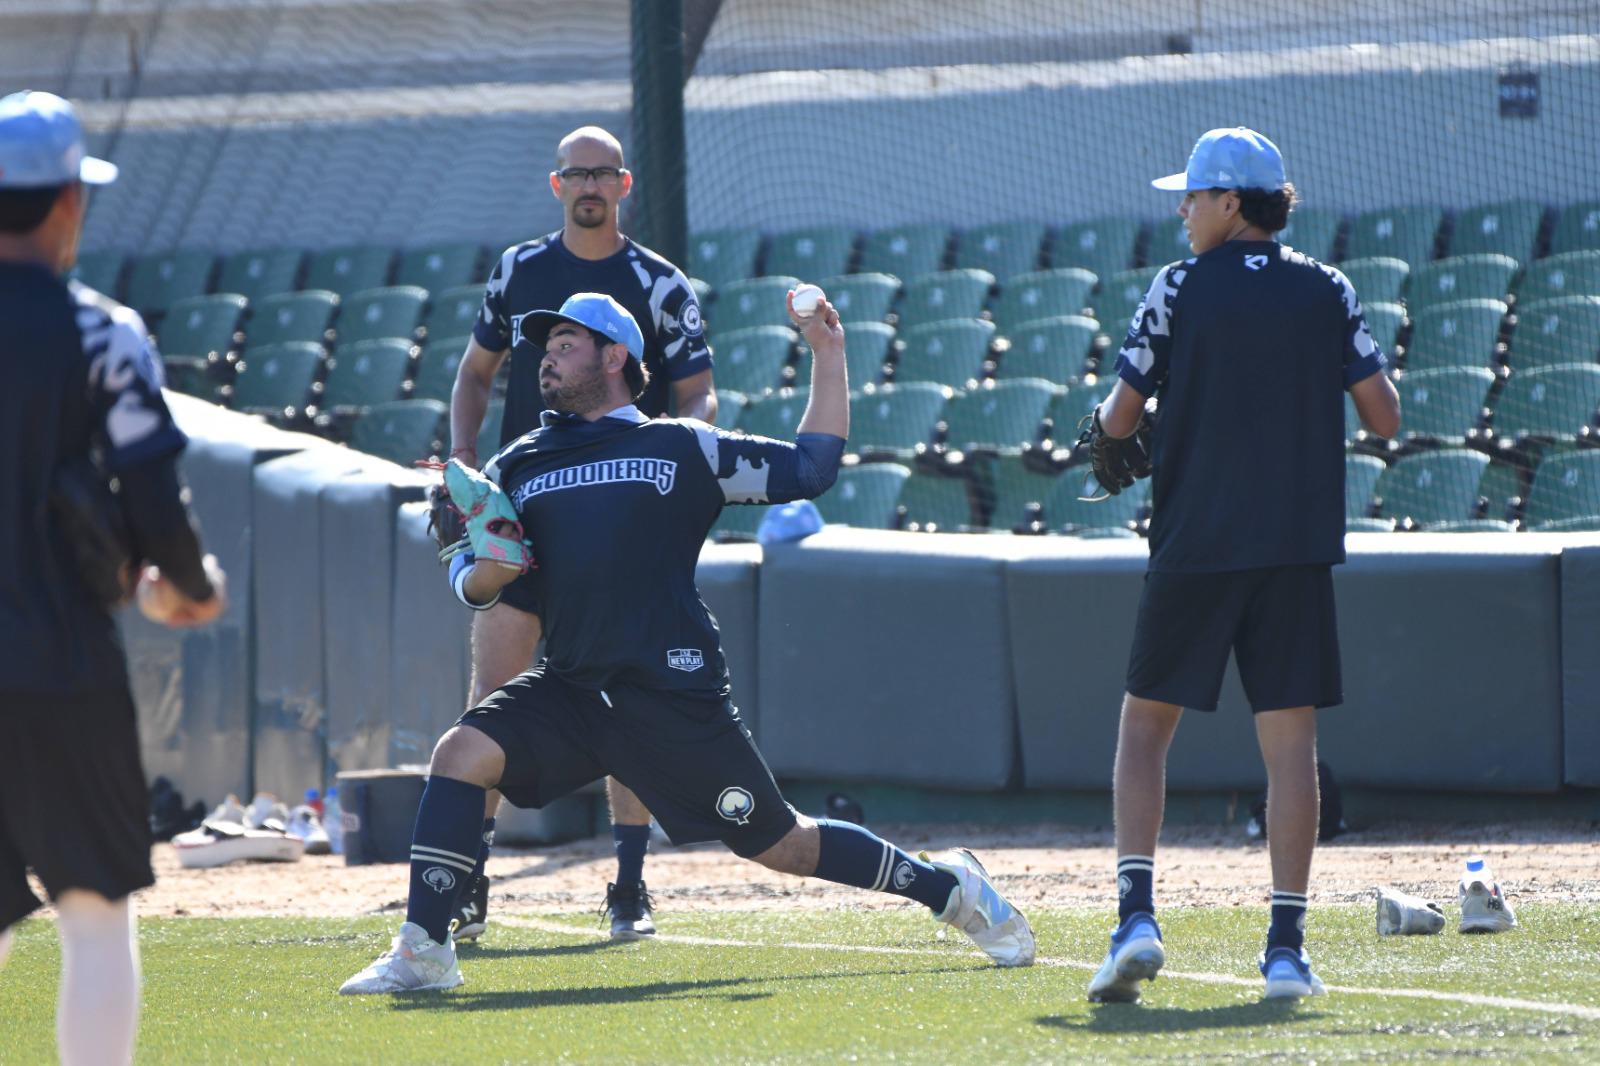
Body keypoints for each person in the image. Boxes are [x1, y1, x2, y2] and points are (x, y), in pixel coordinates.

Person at [340, 292, 1033, 993]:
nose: (546, 353)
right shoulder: (519, 463)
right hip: (574, 686)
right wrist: (481, 567)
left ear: (616, 356)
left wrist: (827, 355)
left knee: (783, 844)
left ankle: (953, 889)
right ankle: (425, 948)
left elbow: (811, 469)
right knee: (460, 754)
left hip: (669, 691)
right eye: (544, 344)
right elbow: (480, 584)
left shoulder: (679, 443)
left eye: (567, 341)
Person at [1083, 127, 1401, 1004]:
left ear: (1228, 203)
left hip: (1196, 544)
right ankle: (1288, 949)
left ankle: (1137, 918)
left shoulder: (1180, 286)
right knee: (1290, 746)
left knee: (1144, 729)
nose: (1181, 211)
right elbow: (1384, 417)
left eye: (1189, 196)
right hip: (1295, 547)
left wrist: (1122, 429)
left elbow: (1116, 421)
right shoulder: (1327, 287)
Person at [444, 126, 716, 942]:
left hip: (620, 518)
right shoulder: (518, 270)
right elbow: (474, 374)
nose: (589, 184)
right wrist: (462, 467)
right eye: (576, 173)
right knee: (490, 700)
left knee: (626, 699)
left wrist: (660, 471)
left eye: (603, 172)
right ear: (555, 183)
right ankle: (468, 883)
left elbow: (700, 398)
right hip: (525, 516)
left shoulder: (660, 284)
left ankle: (628, 886)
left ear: (625, 184)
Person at [0, 91, 227, 1064]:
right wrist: (190, 583)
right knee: (94, 909)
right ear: (66, 205)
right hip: (60, 664)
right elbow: (152, 500)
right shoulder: (103, 334)